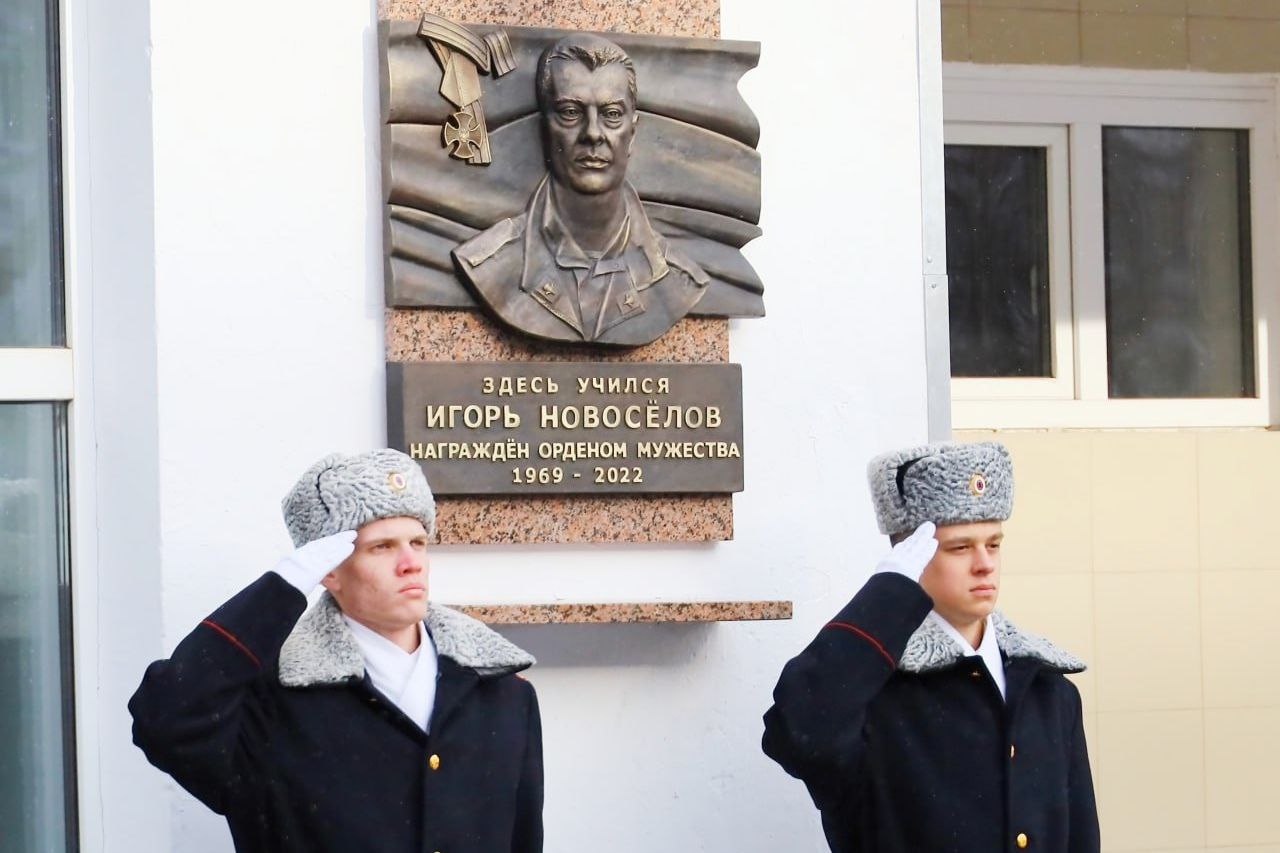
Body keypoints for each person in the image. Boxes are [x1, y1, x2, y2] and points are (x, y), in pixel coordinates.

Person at [129, 449, 543, 852]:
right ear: (328, 571)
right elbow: (165, 720)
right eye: (382, 547)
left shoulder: (503, 692)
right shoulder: (268, 705)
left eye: (417, 542)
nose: (410, 563)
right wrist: (284, 587)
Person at [762, 441, 1099, 853]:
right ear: (913, 557)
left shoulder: (1049, 693)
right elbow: (797, 731)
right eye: (960, 547)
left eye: (993, 544)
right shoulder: (873, 699)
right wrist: (888, 594)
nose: (984, 564)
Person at [453, 33, 709, 347]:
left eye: (611, 115)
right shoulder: (491, 266)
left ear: (632, 133)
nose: (592, 134)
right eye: (570, 113)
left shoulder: (678, 282)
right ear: (544, 129)